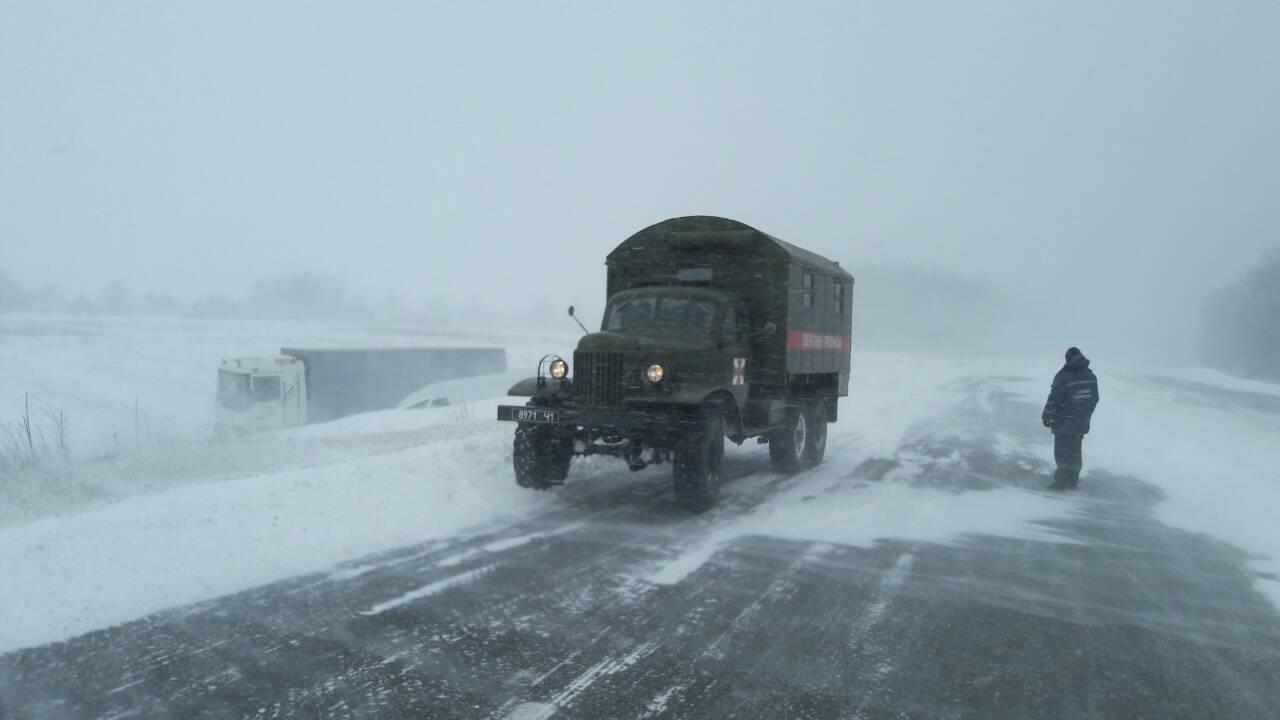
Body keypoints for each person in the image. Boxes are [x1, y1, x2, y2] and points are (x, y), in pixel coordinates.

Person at [1041, 347, 1100, 490]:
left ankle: (1061, 483)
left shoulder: (1063, 376)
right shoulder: (1091, 376)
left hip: (1064, 422)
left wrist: (1047, 415)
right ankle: (1072, 481)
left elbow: (1054, 399)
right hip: (1080, 422)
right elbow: (1095, 399)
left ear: (1067, 359)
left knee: (1061, 452)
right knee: (1075, 451)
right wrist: (1085, 415)